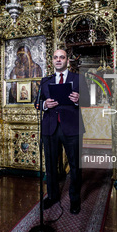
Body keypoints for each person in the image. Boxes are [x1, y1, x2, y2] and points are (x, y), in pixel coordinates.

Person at [35, 49, 90, 214]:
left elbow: (88, 102)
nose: (58, 60)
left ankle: (74, 199)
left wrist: (79, 100)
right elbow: (37, 103)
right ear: (52, 61)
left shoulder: (78, 79)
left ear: (67, 60)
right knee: (50, 165)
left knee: (75, 166)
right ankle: (52, 196)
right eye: (56, 57)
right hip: (50, 128)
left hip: (72, 127)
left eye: (62, 57)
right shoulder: (45, 81)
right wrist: (45, 105)